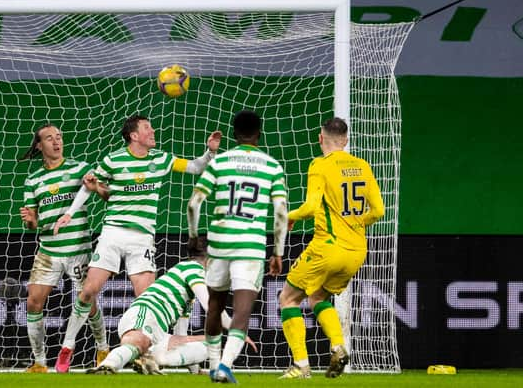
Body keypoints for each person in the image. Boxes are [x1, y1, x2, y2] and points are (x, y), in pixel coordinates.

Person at [52, 115, 222, 372]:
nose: (153, 131)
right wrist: (69, 213)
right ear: (134, 135)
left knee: (149, 299)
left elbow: (196, 167)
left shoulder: (160, 159)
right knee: (88, 291)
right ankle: (67, 346)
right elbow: (90, 185)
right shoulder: (113, 159)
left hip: (142, 237)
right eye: (147, 128)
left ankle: (149, 355)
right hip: (113, 233)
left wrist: (210, 152)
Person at [277, 117, 385, 379]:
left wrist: (288, 215)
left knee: (288, 299)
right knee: (318, 298)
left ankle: (301, 365)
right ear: (346, 140)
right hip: (356, 251)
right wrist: (357, 223)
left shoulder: (320, 165)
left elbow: (312, 207)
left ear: (320, 138)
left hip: (327, 246)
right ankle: (338, 346)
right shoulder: (362, 165)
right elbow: (379, 211)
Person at [186, 110, 288, 383]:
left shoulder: (219, 163)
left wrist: (194, 237)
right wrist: (278, 252)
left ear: (234, 133)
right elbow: (280, 212)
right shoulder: (272, 166)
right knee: (242, 310)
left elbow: (193, 203)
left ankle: (213, 364)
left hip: (219, 244)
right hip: (250, 247)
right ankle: (225, 366)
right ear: (260, 133)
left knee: (216, 307)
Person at [86, 236, 256, 374]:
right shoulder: (192, 269)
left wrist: (195, 370)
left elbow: (180, 335)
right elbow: (211, 307)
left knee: (210, 343)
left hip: (158, 332)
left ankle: (154, 359)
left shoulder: (187, 292)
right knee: (138, 342)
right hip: (146, 314)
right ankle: (108, 366)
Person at [19, 124, 109, 373]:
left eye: (59, 137)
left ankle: (102, 348)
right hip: (48, 251)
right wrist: (29, 221)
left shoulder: (79, 168)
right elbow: (32, 224)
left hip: (79, 249)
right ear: (39, 146)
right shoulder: (33, 180)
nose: (56, 142)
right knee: (34, 302)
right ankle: (39, 362)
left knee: (88, 304)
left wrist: (96, 186)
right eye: (50, 138)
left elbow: (104, 191)